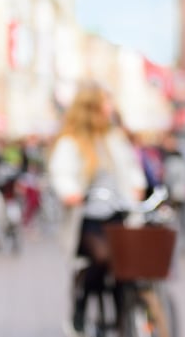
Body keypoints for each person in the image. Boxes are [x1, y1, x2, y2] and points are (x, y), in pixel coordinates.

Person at [49, 82, 147, 337]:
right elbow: (62, 171)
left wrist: (137, 187)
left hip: (118, 214)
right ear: (92, 106)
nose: (110, 107)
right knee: (102, 258)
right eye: (105, 101)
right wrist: (70, 192)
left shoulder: (114, 138)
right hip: (88, 219)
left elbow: (131, 168)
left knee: (125, 266)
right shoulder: (71, 141)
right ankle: (81, 301)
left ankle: (123, 319)